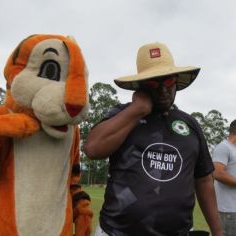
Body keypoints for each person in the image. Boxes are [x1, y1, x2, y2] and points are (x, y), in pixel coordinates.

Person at [84, 42, 222, 236]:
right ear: (141, 87)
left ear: (176, 81)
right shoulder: (123, 115)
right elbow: (92, 148)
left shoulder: (190, 125)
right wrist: (137, 109)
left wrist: (218, 232)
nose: (163, 90)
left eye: (167, 82)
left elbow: (204, 181)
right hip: (116, 232)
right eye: (152, 84)